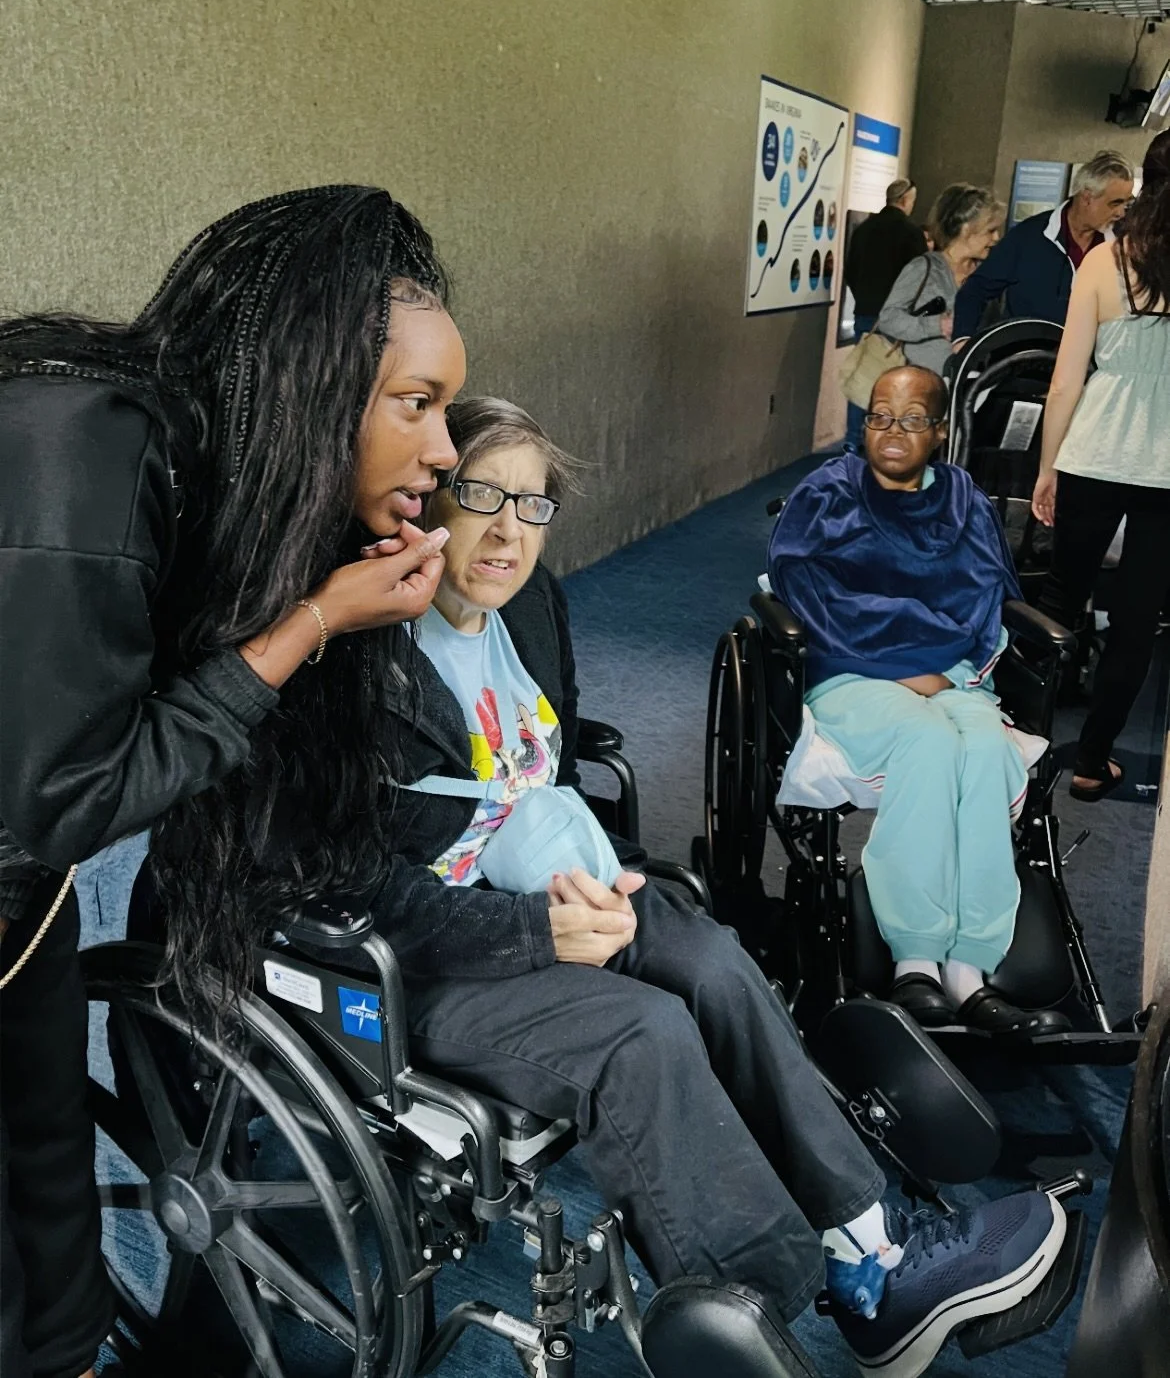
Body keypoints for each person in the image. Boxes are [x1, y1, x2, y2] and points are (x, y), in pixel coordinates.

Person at [345, 391, 1062, 1378]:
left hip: (544, 898)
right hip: (426, 964)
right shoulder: (371, 653)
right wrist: (540, 932)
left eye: (533, 503)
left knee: (713, 957)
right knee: (645, 1033)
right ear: (435, 496)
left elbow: (538, 778)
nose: (510, 530)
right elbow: (371, 889)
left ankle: (871, 1248)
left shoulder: (531, 611)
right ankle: (759, 1304)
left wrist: (591, 888)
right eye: (482, 495)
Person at [0, 186, 461, 1378]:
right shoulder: (82, 442)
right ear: (312, 384)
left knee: (50, 1232)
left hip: (21, 892)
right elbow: (73, 798)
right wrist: (312, 619)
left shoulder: (201, 470)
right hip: (30, 840)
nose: (448, 451)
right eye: (417, 404)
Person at [769, 366, 1044, 1038]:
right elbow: (810, 595)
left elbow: (981, 599)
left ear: (941, 430)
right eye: (879, 416)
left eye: (912, 418)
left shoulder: (962, 501)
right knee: (926, 742)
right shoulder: (828, 493)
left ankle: (970, 969)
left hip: (951, 675)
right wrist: (902, 664)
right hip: (852, 670)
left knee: (983, 747)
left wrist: (933, 665)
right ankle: (915, 960)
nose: (893, 432)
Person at [1032, 131, 1170, 802]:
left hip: (1092, 454)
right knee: (1137, 622)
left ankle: (1022, 738)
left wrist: (1047, 467)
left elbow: (1066, 382)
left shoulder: (1107, 262)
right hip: (1167, 473)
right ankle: (1091, 761)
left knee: (1060, 599)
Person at [954, 151, 1134, 342]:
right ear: (1087, 198)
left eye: (1126, 204)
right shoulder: (1027, 236)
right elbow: (975, 290)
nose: (1121, 213)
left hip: (1089, 365)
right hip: (1023, 362)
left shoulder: (1121, 246)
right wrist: (963, 341)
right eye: (1115, 203)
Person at [873, 185, 1004, 377]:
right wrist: (938, 325)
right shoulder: (923, 268)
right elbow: (888, 319)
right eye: (990, 230)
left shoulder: (986, 274)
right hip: (922, 388)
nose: (996, 238)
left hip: (968, 386)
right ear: (966, 229)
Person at [843, 179, 927, 447]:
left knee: (862, 377)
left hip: (865, 313)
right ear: (905, 201)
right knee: (893, 384)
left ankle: (853, 440)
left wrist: (865, 301)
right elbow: (919, 279)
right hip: (896, 320)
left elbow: (851, 272)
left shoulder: (864, 229)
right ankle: (884, 442)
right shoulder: (910, 233)